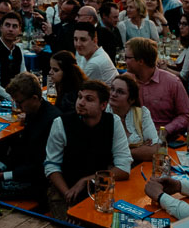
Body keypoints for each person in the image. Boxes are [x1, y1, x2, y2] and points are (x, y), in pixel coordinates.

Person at [44, 81, 132, 216]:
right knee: (71, 225)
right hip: (65, 187)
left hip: (101, 188)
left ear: (103, 105)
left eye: (89, 99)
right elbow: (52, 166)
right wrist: (68, 194)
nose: (81, 102)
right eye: (80, 97)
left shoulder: (113, 122)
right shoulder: (61, 123)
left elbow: (123, 169)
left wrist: (86, 181)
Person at [0, 72, 60, 203]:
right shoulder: (32, 112)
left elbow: (39, 166)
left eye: (19, 102)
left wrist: (1, 175)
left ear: (34, 98)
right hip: (25, 171)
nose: (17, 107)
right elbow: (20, 149)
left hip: (39, 181)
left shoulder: (51, 121)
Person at [121, 37, 189, 137]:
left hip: (164, 140)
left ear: (141, 61)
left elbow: (187, 115)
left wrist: (165, 131)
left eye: (127, 58)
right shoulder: (124, 81)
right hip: (132, 139)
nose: (124, 61)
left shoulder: (171, 82)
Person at [108, 72, 162, 165]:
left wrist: (120, 153)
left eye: (120, 92)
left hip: (140, 168)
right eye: (112, 89)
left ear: (131, 99)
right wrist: (141, 149)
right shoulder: (103, 114)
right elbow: (104, 154)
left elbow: (155, 151)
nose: (113, 94)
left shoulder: (142, 113)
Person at [0, 14, 26, 102]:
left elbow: (23, 77)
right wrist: (14, 99)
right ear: (1, 28)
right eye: (7, 25)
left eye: (14, 26)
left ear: (19, 30)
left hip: (16, 98)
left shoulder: (18, 50)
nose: (10, 29)